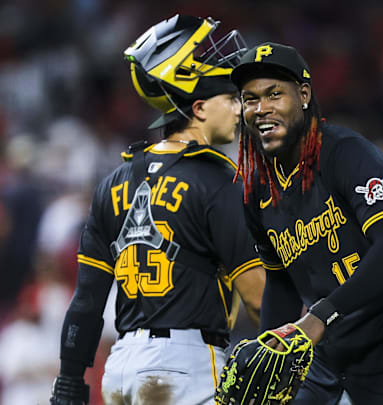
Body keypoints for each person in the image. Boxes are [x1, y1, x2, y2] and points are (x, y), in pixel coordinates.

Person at [49, 15, 265, 405]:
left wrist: (68, 379)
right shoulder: (218, 180)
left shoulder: (113, 181)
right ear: (198, 108)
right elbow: (258, 298)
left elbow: (86, 302)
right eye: (230, 98)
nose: (239, 110)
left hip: (120, 371)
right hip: (186, 367)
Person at [230, 42, 383, 404]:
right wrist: (269, 343)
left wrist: (322, 314)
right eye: (250, 99)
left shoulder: (345, 153)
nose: (261, 109)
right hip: (329, 362)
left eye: (274, 94)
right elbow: (280, 280)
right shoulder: (257, 188)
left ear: (304, 94)